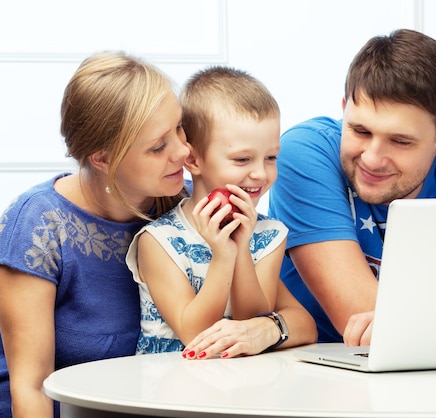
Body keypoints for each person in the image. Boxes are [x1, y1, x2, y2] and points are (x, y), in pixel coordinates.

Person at [268, 29, 436, 346]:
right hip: (313, 374)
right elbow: (362, 320)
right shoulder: (304, 153)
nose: (372, 158)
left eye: (400, 141)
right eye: (360, 130)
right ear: (344, 110)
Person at [0, 51, 191, 418]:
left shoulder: (182, 205)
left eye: (179, 128)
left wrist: (267, 328)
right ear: (102, 159)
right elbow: (30, 387)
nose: (183, 150)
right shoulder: (39, 225)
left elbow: (288, 313)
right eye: (158, 146)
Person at [125, 66, 317, 359]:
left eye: (270, 157)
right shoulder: (160, 240)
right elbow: (193, 333)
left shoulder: (269, 235)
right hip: (168, 385)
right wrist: (222, 255)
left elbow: (253, 318)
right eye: (242, 159)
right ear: (193, 159)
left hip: (239, 384)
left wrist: (240, 250)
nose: (260, 173)